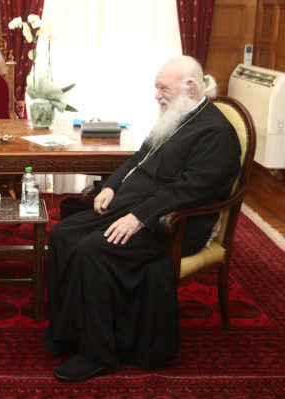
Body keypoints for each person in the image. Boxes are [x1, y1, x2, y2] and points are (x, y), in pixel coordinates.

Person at [44, 55, 242, 382]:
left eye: (163, 88)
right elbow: (138, 159)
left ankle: (98, 353)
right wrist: (111, 186)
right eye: (156, 87)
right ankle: (69, 330)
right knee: (63, 234)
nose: (156, 95)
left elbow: (191, 188)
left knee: (94, 250)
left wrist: (140, 217)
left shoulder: (216, 132)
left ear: (190, 87)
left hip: (175, 223)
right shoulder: (175, 115)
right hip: (136, 206)